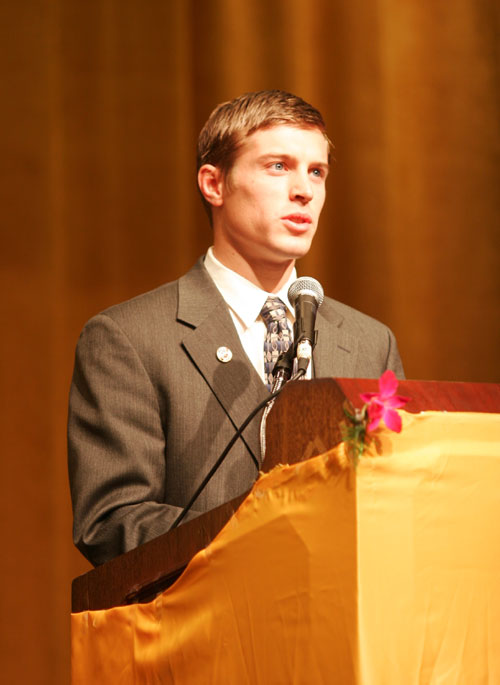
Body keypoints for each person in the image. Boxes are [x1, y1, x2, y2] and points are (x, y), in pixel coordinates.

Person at [68, 90, 404, 567]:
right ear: (214, 184)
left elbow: (395, 497)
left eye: (317, 172)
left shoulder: (369, 342)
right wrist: (263, 537)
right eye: (278, 167)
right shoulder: (130, 339)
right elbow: (111, 521)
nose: (304, 191)